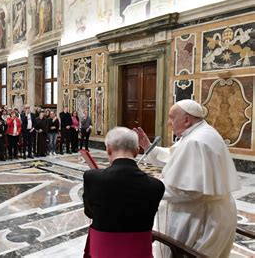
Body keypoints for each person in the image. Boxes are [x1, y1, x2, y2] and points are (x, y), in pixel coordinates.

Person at [133, 99, 240, 257]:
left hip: (202, 219)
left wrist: (151, 187)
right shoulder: (199, 133)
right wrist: (149, 148)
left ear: (186, 119)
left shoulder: (197, 140)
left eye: (172, 117)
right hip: (210, 214)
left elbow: (187, 191)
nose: (169, 122)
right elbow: (174, 156)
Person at [83, 127, 165, 257]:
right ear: (137, 151)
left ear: (109, 149)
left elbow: (89, 212)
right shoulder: (156, 186)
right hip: (139, 253)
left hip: (102, 252)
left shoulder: (92, 177)